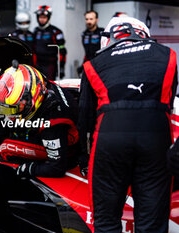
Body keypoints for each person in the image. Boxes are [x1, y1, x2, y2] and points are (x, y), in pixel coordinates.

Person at [78, 16, 177, 232]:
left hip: (111, 135)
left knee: (106, 220)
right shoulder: (168, 55)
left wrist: (82, 157)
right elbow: (168, 104)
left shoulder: (93, 64)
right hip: (155, 133)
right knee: (152, 224)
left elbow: (84, 118)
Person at [0, 61, 79, 177]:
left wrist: (28, 169)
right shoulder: (42, 84)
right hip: (59, 126)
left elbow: (57, 168)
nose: (8, 115)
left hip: (68, 150)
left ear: (33, 97)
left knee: (3, 148)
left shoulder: (52, 122)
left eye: (15, 109)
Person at [33, 5, 66, 80]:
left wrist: (61, 67)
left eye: (44, 17)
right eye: (40, 17)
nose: (42, 19)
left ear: (48, 18)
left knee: (49, 86)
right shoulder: (35, 31)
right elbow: (33, 48)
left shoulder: (56, 32)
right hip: (38, 64)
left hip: (50, 64)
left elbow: (62, 51)